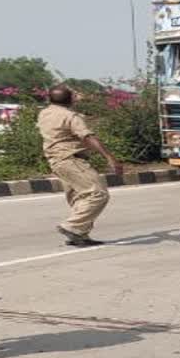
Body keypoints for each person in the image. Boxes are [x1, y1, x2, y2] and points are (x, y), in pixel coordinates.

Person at [37, 85, 123, 246]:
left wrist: (72, 97)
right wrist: (110, 158)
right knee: (97, 193)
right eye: (74, 96)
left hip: (56, 160)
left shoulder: (45, 113)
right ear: (70, 99)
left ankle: (80, 235)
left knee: (79, 197)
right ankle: (72, 226)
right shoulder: (71, 116)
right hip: (71, 159)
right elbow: (88, 137)